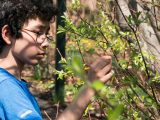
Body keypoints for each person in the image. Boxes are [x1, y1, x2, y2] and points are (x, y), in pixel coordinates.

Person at [0, 0, 113, 120]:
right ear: (7, 34)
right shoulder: (7, 87)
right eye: (38, 32)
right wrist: (89, 89)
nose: (46, 43)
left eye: (46, 33)